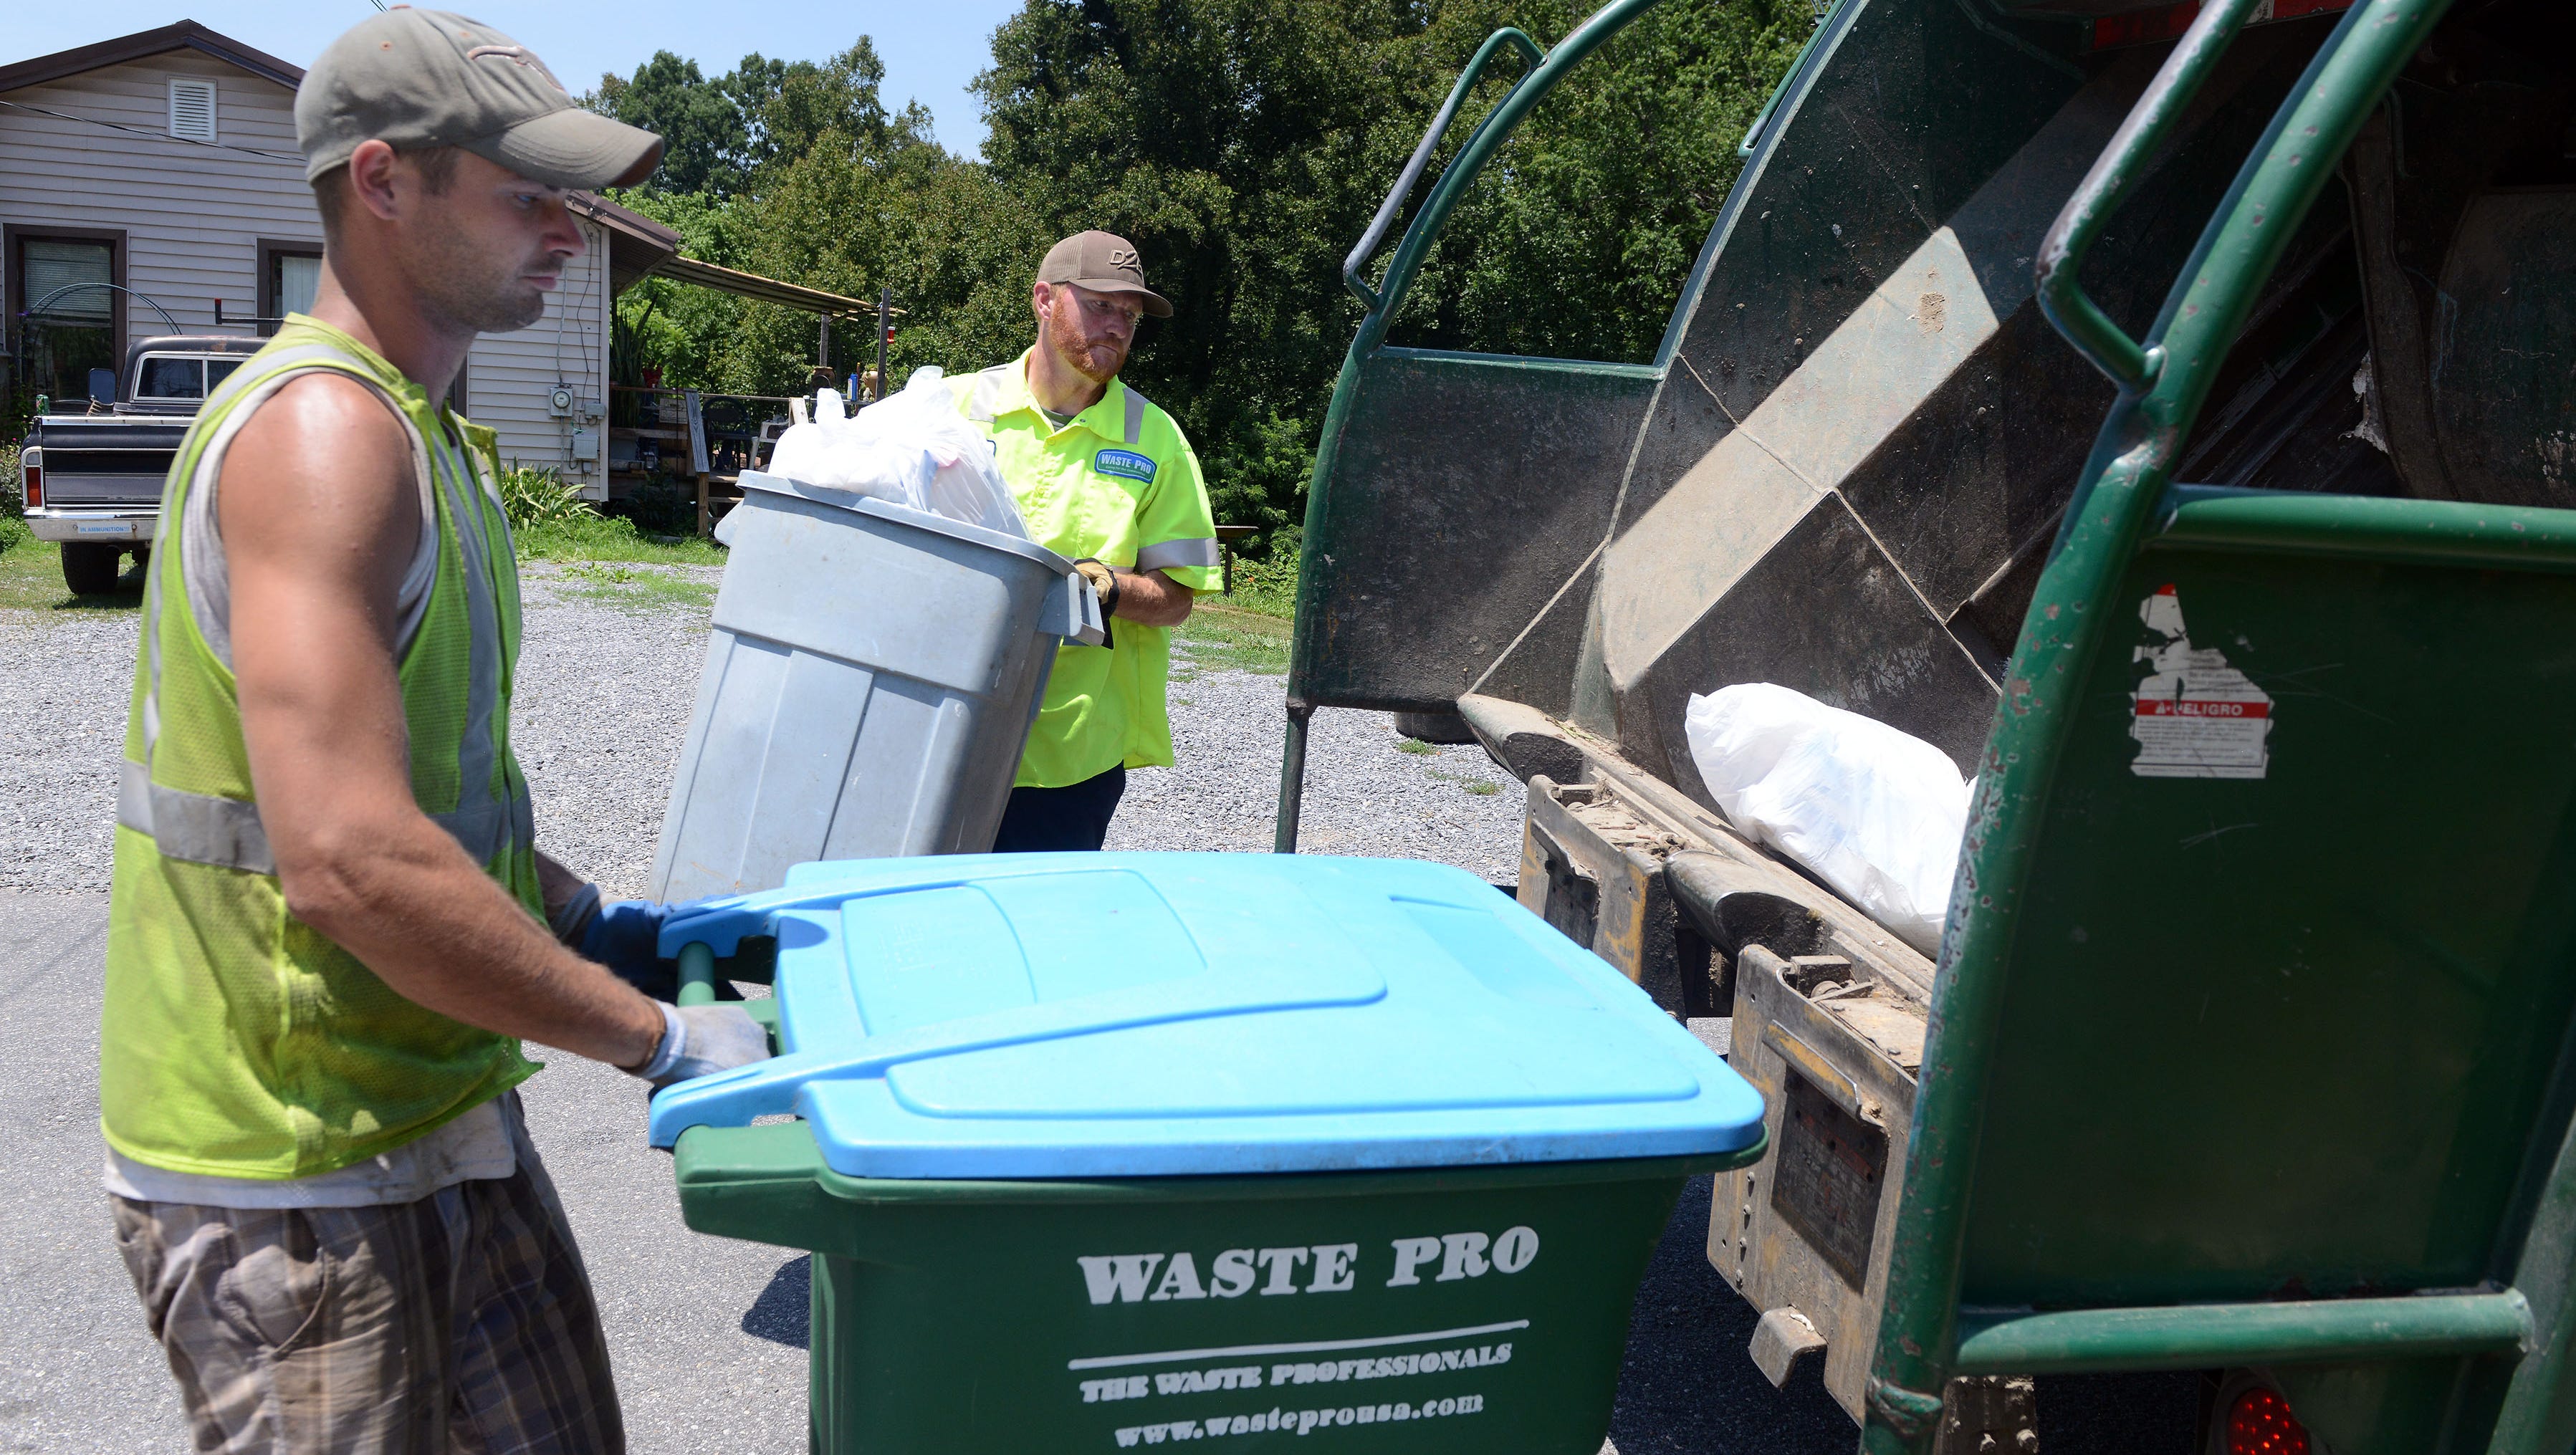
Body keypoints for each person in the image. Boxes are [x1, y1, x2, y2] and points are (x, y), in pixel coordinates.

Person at [98, 11, 767, 1450]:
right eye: (530, 195)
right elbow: (344, 858)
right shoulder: (322, 439)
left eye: (574, 199)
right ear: (385, 183)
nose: (570, 234)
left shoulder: (430, 436)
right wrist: (651, 1033)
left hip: (439, 1109)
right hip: (289, 1167)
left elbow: (434, 814)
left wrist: (601, 920)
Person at [952, 231, 1222, 851]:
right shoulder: (952, 410)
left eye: (1129, 315)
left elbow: (1179, 597)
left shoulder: (1156, 439)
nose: (1117, 326)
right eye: (1100, 304)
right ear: (1044, 300)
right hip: (942, 728)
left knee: (1038, 934)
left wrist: (1105, 587)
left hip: (1071, 758)